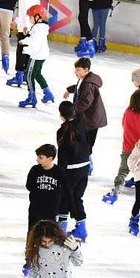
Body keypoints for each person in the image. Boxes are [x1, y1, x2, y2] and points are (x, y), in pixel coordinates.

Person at [101, 88, 140, 205]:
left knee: (123, 170)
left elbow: (123, 124)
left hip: (128, 147)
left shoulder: (128, 112)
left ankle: (116, 189)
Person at [56, 102, 91, 241]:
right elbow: (88, 143)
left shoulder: (62, 131)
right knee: (77, 197)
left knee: (64, 198)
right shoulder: (81, 124)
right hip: (84, 166)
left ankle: (61, 230)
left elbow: (62, 155)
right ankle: (81, 229)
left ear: (61, 115)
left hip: (71, 169)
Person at [63, 57, 107, 159]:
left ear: (86, 70)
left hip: (91, 120)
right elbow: (78, 88)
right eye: (76, 69)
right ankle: (85, 160)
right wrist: (69, 90)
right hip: (88, 118)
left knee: (87, 143)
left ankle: (87, 163)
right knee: (84, 142)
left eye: (78, 69)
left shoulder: (88, 85)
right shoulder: (83, 80)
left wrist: (72, 110)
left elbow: (85, 102)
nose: (75, 72)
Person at [27, 144, 67, 236]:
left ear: (50, 159)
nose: (37, 159)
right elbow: (29, 186)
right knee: (33, 231)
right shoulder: (34, 170)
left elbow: (65, 190)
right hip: (35, 208)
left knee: (50, 232)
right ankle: (31, 249)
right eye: (38, 157)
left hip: (51, 209)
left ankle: (48, 249)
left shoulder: (58, 172)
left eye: (40, 157)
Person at [19, 5, 53, 108]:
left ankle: (32, 97)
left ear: (37, 17)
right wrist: (24, 41)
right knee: (37, 74)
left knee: (29, 76)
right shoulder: (41, 27)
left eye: (30, 17)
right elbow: (32, 38)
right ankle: (48, 93)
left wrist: (25, 48)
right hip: (42, 54)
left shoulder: (37, 29)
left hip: (36, 55)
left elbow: (34, 42)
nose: (29, 19)